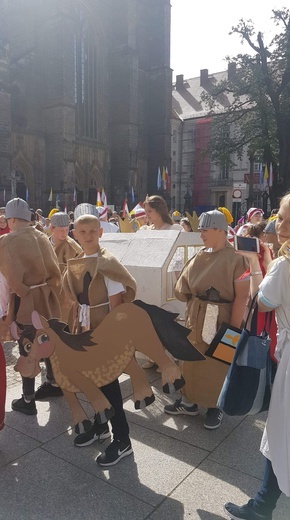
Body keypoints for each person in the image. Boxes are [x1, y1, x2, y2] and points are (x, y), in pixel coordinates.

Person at [224, 192, 290, 520]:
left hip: (288, 362)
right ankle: (263, 504)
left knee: (279, 433)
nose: (280, 225)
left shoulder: (284, 265)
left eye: (288, 220)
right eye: (281, 216)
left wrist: (254, 263)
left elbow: (259, 303)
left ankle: (262, 506)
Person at [62, 203, 137, 467]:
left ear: (101, 232)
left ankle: (123, 439)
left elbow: (116, 306)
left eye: (93, 231)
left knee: (109, 385)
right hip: (84, 332)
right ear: (75, 233)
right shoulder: (79, 261)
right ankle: (101, 426)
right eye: (82, 231)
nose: (88, 235)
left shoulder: (107, 264)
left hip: (103, 335)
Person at [164, 210, 249, 429]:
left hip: (223, 318)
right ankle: (189, 402)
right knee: (191, 361)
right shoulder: (199, 256)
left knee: (217, 364)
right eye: (200, 230)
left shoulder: (236, 258)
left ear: (220, 230)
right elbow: (183, 290)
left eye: (205, 230)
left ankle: (215, 407)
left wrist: (233, 331)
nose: (201, 234)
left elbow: (241, 297)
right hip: (196, 316)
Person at [0, 198, 61, 415]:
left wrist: (15, 302)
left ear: (13, 218)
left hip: (26, 301)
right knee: (48, 339)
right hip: (48, 298)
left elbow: (9, 280)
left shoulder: (7, 241)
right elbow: (56, 269)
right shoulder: (42, 236)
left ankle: (28, 400)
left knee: (28, 346)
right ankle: (54, 384)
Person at [34, 212, 83, 400]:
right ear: (51, 228)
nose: (64, 233)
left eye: (66, 229)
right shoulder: (46, 242)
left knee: (58, 340)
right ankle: (54, 379)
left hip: (63, 303)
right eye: (60, 230)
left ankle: (56, 382)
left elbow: (77, 276)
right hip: (47, 300)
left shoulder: (72, 246)